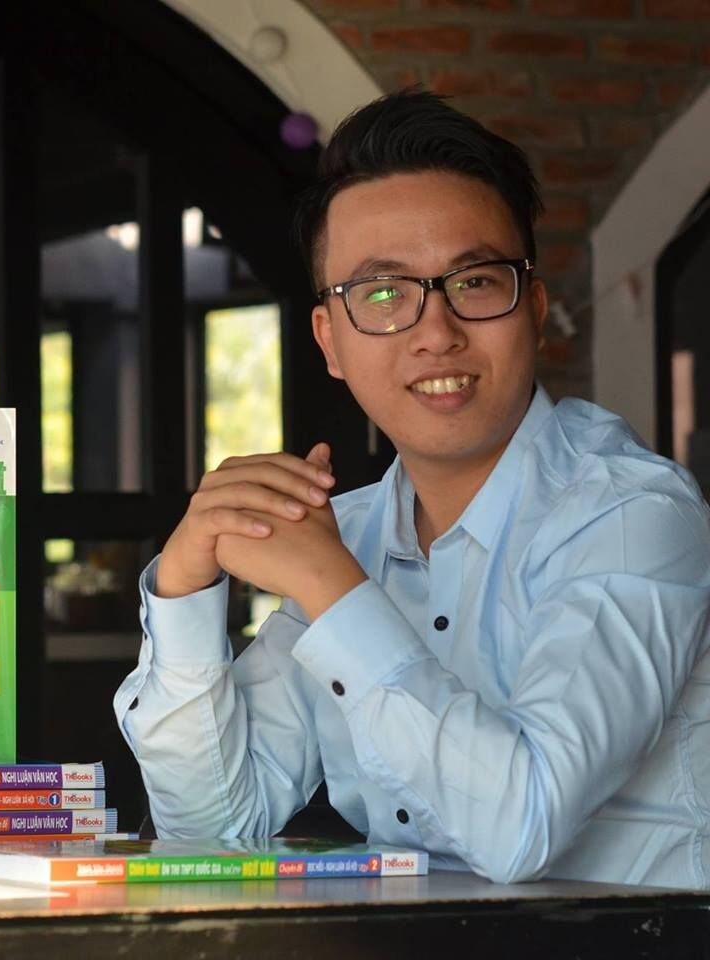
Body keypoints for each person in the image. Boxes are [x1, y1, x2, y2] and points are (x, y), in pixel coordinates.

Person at [114, 90, 710, 889]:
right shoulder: (353, 535)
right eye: (382, 294)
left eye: (475, 282)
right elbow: (213, 829)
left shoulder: (633, 514)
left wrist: (331, 586)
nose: (435, 332)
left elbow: (523, 824)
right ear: (330, 341)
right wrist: (187, 589)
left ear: (534, 309)